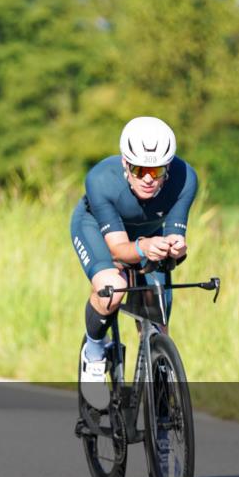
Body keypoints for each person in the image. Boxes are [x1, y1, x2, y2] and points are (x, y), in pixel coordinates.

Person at [71, 117, 198, 409]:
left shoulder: (185, 178)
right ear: (126, 165)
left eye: (156, 170)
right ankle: (93, 353)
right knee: (113, 286)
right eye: (140, 170)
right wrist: (144, 247)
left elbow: (175, 235)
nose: (149, 179)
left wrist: (175, 248)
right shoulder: (100, 180)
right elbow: (118, 251)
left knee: (158, 320)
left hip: (147, 234)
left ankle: (162, 409)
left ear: (168, 167)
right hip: (99, 230)